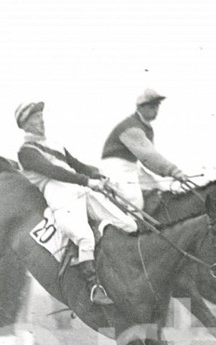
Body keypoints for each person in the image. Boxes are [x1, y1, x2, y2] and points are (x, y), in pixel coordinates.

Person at [15, 101, 137, 306]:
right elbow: (54, 172)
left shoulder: (55, 144)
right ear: (25, 124)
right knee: (85, 237)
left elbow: (77, 165)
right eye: (36, 118)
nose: (41, 121)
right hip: (59, 197)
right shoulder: (25, 152)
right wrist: (87, 180)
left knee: (128, 224)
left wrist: (97, 173)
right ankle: (94, 288)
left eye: (41, 116)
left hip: (81, 190)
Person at [99, 88, 197, 210]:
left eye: (157, 106)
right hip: (115, 167)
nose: (156, 110)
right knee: (134, 200)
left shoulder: (145, 127)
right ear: (140, 107)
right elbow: (149, 157)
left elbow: (149, 160)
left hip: (132, 167)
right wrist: (173, 171)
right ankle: (132, 228)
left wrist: (169, 173)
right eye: (151, 106)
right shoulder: (131, 127)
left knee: (161, 190)